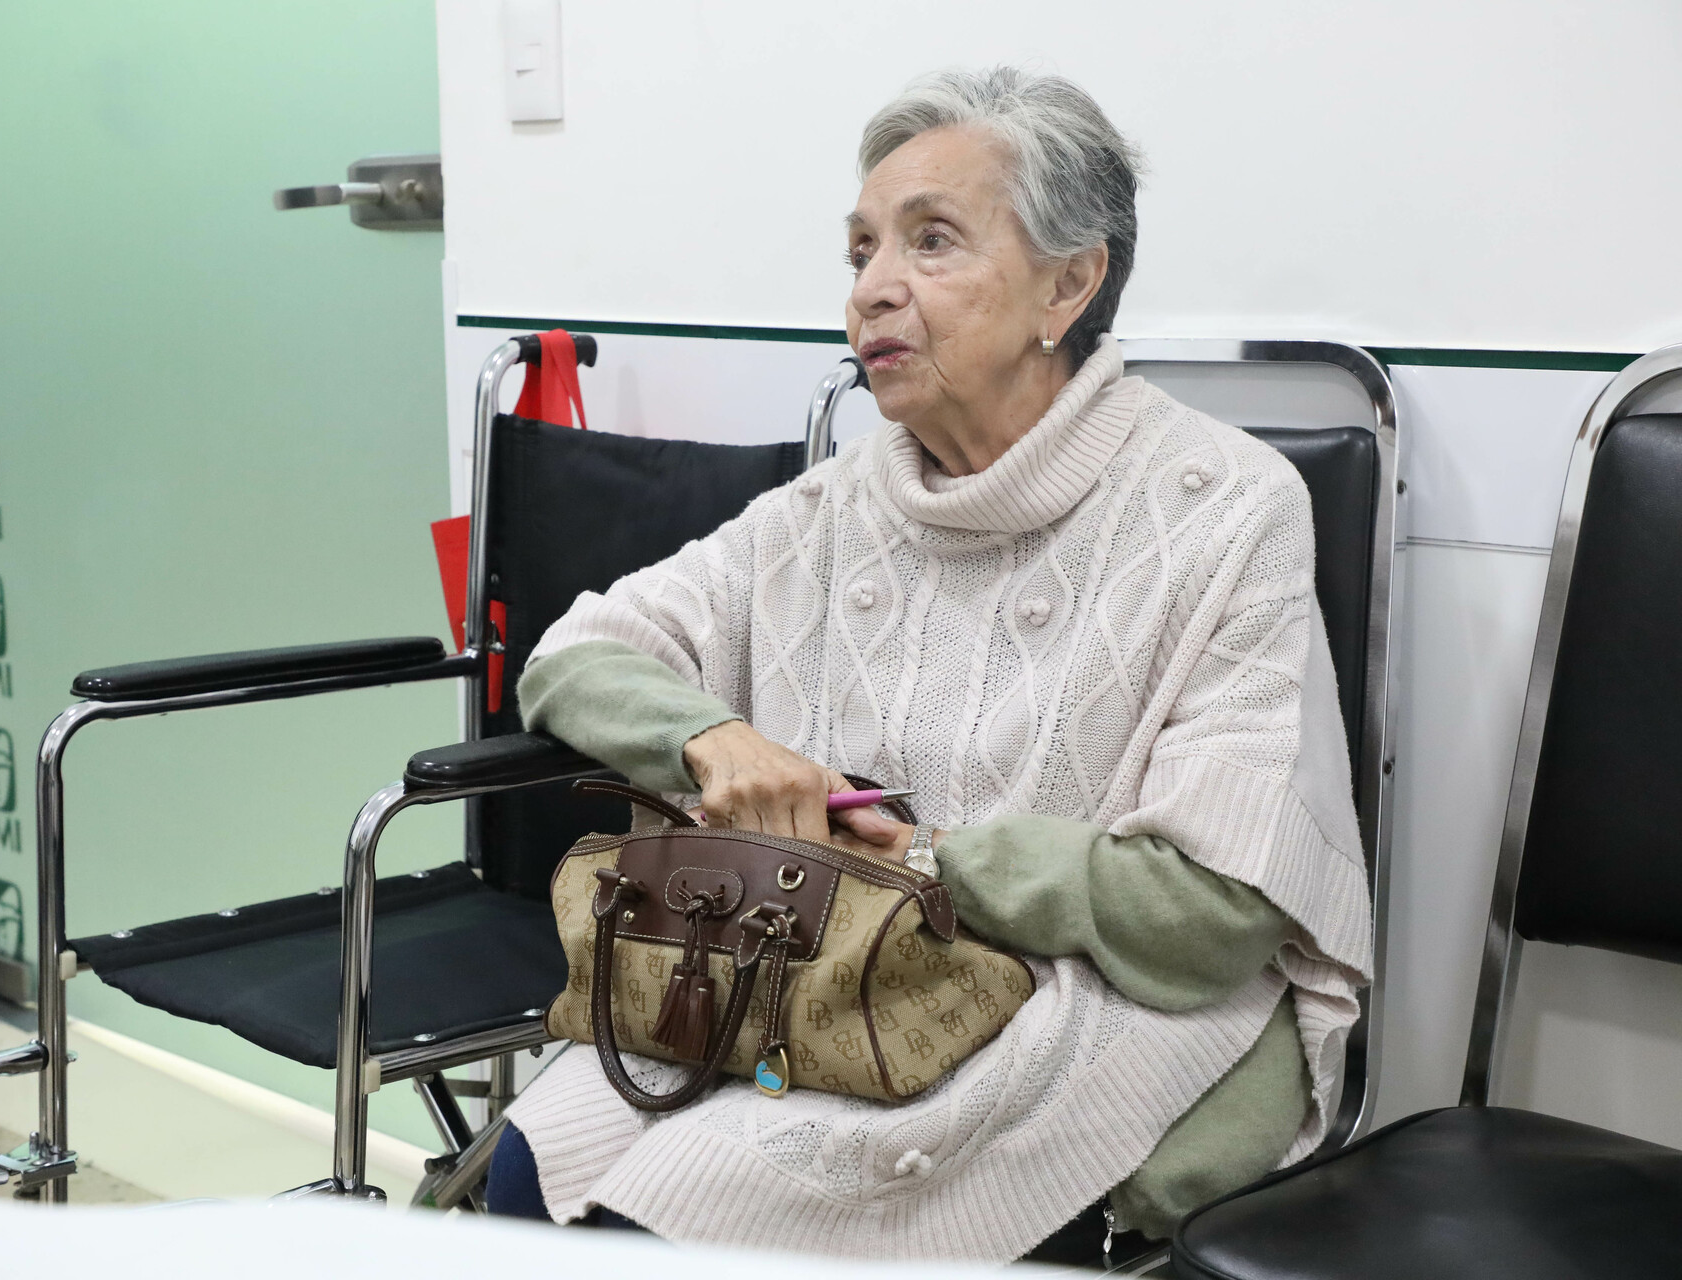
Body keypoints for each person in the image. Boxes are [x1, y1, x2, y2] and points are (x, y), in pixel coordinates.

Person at [485, 66, 1371, 1264]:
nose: (872, 289)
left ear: (1069, 282)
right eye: (861, 250)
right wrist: (717, 740)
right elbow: (575, 655)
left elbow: (1213, 909)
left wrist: (930, 857)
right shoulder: (835, 504)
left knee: (665, 1215)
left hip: (1088, 994)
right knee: (534, 1164)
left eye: (932, 240)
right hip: (814, 962)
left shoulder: (1225, 507)